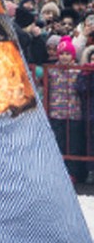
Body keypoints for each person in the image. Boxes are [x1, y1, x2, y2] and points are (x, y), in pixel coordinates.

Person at [45, 36, 88, 183]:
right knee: (59, 144)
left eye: (68, 54)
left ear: (73, 56)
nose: (64, 57)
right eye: (62, 54)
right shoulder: (51, 70)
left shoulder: (78, 71)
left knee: (73, 145)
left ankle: (73, 173)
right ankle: (58, 172)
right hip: (56, 112)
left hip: (74, 113)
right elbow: (40, 77)